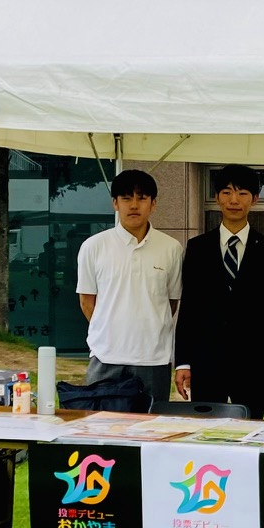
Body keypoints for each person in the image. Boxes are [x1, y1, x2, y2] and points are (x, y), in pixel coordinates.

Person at [173, 164, 264, 417]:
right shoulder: (197, 248)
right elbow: (189, 308)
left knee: (249, 428)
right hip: (206, 360)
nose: (234, 200)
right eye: (226, 192)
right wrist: (183, 361)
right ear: (217, 197)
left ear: (254, 199)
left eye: (242, 193)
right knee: (205, 429)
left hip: (252, 362)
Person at [77, 168, 184, 405]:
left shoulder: (171, 248)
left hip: (153, 358)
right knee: (102, 424)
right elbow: (86, 301)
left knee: (152, 424)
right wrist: (111, 329)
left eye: (142, 198)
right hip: (106, 356)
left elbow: (171, 302)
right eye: (126, 198)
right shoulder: (93, 246)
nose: (134, 205)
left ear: (153, 204)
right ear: (115, 203)